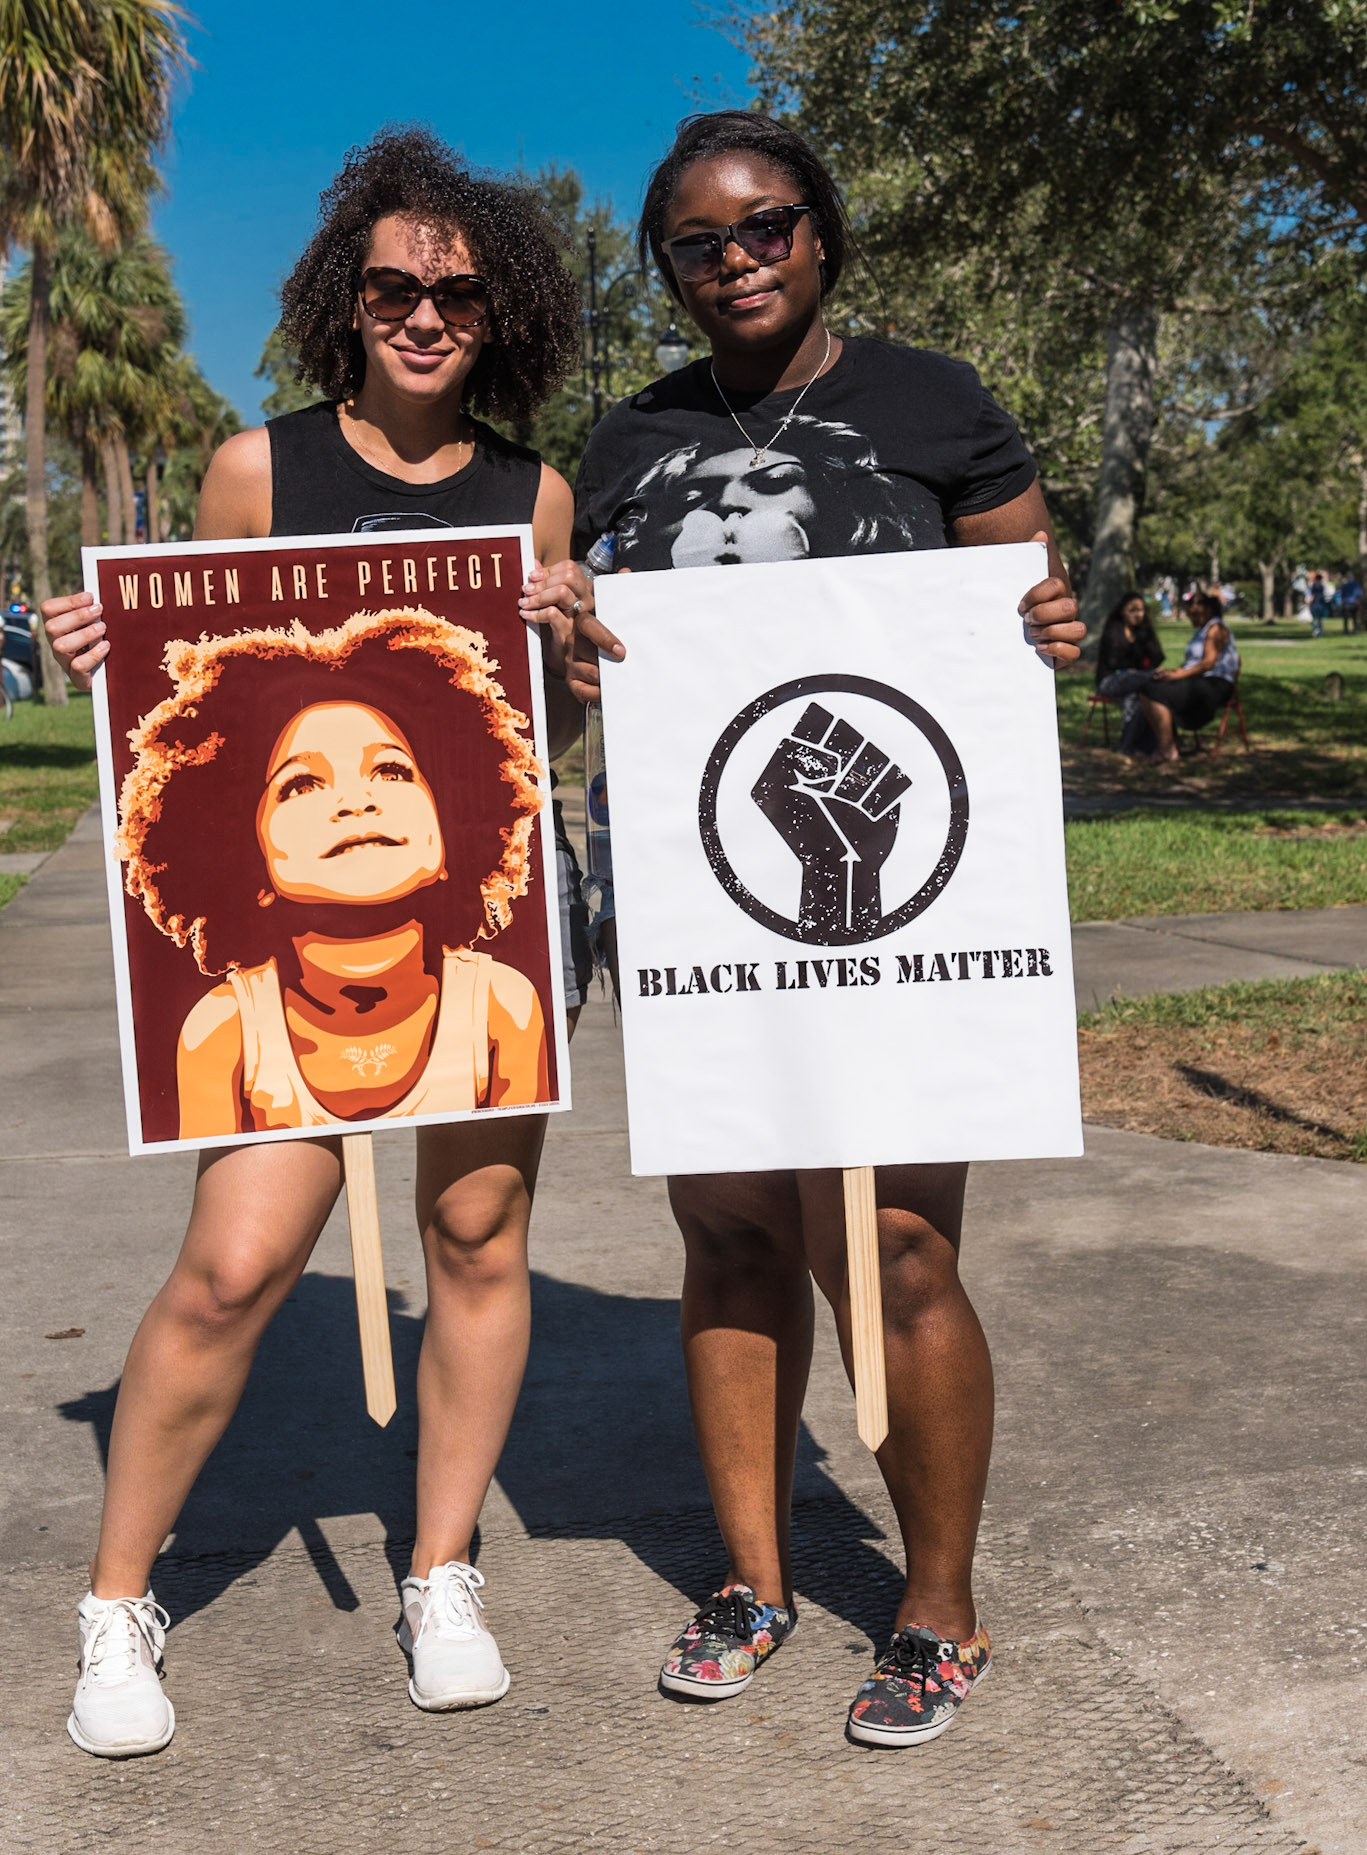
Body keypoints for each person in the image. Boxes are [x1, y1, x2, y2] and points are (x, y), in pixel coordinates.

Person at [522, 110, 1083, 1748]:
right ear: (669, 269)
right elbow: (586, 654)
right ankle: (755, 1581)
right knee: (734, 1241)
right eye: (698, 241)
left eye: (764, 225)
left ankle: (936, 1607)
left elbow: (1019, 619)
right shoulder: (624, 442)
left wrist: (1048, 616)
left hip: (907, 906)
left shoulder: (934, 402)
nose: (735, 258)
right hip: (704, 899)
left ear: (821, 233)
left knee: (896, 1248)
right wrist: (569, 649)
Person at [40, 126, 583, 1755]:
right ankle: (117, 1599)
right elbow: (187, 687)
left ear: (502, 314)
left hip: (483, 935)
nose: (426, 313)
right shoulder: (254, 469)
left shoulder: (532, 490)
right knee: (233, 1263)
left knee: (478, 1244)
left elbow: (535, 733)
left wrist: (576, 643)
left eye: (459, 293)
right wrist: (96, 639)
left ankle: (440, 1571)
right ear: (343, 301)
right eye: (394, 287)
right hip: (278, 967)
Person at [114, 616, 550, 1138]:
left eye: (390, 772)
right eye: (301, 785)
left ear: (450, 821)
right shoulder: (222, 1030)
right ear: (240, 849)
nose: (355, 801)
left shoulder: (504, 1006)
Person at [1138, 591, 1240, 762]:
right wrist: (1172, 673)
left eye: (1193, 614)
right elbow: (1192, 664)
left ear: (1204, 611)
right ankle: (1171, 742)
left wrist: (1176, 676)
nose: (1191, 618)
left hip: (1215, 683)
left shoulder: (1216, 628)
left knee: (1154, 691)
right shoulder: (1204, 629)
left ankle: (1167, 748)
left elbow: (1208, 663)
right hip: (1198, 680)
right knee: (1147, 687)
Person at [1094, 592, 1164, 755]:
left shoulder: (1143, 631)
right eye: (1132, 610)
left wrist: (1146, 636)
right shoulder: (1114, 629)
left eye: (1140, 610)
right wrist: (1134, 670)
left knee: (1141, 699)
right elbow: (1112, 662)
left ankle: (1135, 747)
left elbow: (1157, 656)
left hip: (1136, 684)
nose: (1137, 614)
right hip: (1110, 681)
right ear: (1122, 611)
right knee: (1155, 677)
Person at [1310, 572, 1327, 637]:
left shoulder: (1314, 585)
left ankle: (1316, 629)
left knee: (1313, 619)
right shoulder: (1322, 586)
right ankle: (1320, 633)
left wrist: (1308, 604)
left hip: (1314, 604)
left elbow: (1312, 595)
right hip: (1321, 605)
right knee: (1320, 620)